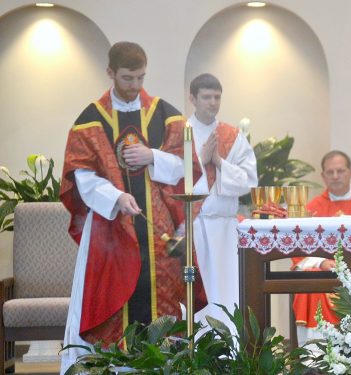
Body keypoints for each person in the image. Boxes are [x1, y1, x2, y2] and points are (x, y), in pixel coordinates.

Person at [59, 41, 202, 373]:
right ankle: (111, 366)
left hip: (158, 230)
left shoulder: (165, 115)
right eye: (127, 78)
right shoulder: (91, 119)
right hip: (109, 228)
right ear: (110, 73)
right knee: (111, 295)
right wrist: (115, 197)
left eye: (140, 77)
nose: (135, 86)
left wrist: (153, 157)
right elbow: (80, 174)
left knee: (163, 299)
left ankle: (165, 363)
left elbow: (187, 165)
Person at [188, 73, 258, 335]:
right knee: (198, 292)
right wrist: (200, 159)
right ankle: (197, 348)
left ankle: (228, 353)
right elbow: (172, 179)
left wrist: (217, 161)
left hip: (225, 229)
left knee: (227, 291)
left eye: (217, 97)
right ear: (193, 98)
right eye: (206, 97)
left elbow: (248, 181)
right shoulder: (181, 132)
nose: (213, 102)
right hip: (194, 226)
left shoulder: (232, 136)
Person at [292, 150, 351, 345]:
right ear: (323, 176)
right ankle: (314, 352)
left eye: (340, 170)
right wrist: (322, 262)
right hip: (325, 272)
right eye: (330, 172)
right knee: (310, 281)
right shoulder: (312, 208)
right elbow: (299, 251)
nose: (335, 176)